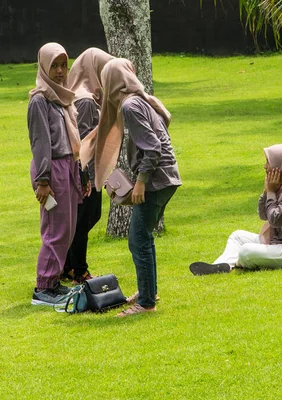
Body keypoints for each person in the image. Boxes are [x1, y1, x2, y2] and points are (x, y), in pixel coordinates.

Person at [80, 58, 182, 316]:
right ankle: (149, 291)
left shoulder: (130, 106)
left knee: (137, 240)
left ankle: (146, 303)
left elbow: (153, 147)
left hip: (157, 180)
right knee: (144, 238)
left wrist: (140, 183)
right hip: (168, 177)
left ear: (112, 82)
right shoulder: (141, 100)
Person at [189, 144, 282, 275]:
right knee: (238, 236)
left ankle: (233, 264)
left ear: (281, 164)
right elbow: (263, 214)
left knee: (246, 251)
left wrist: (271, 192)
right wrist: (268, 190)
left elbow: (275, 220)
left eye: (268, 162)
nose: (265, 166)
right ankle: (220, 267)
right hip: (278, 241)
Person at [28, 42, 83, 306]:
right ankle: (43, 288)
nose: (60, 71)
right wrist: (43, 180)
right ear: (44, 67)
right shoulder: (40, 100)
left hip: (68, 166)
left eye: (63, 65)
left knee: (68, 229)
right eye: (55, 66)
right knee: (55, 230)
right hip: (51, 169)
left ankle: (53, 282)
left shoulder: (62, 97)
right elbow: (40, 142)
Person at [61, 47, 114, 284]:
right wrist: (88, 178)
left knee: (89, 217)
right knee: (83, 220)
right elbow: (83, 143)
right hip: (86, 174)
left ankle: (68, 265)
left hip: (88, 172)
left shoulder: (88, 96)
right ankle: (78, 270)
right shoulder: (84, 101)